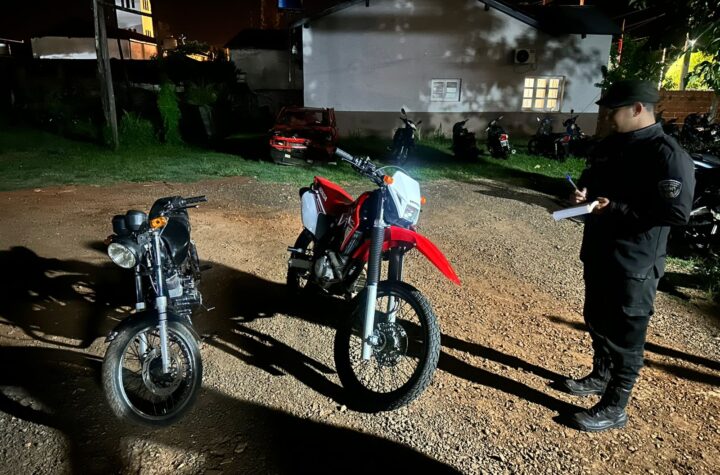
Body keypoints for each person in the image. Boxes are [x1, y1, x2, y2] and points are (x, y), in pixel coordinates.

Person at [561, 80, 695, 432]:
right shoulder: (611, 145)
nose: (607, 117)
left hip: (635, 262)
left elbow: (676, 212)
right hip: (599, 252)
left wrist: (616, 209)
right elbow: (591, 180)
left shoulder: (666, 154)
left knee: (626, 336)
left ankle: (615, 406)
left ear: (637, 109)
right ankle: (601, 375)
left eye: (613, 110)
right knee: (596, 319)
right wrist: (583, 193)